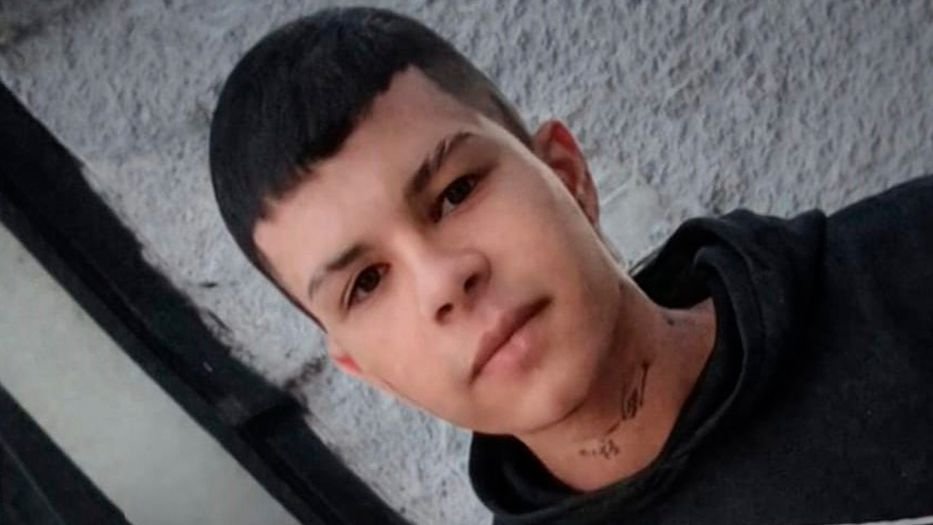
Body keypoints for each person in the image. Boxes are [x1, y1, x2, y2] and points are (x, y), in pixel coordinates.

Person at [208, 7, 933, 524]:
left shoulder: (905, 269)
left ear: (566, 174)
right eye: (366, 283)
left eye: (456, 192)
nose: (443, 280)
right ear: (365, 369)